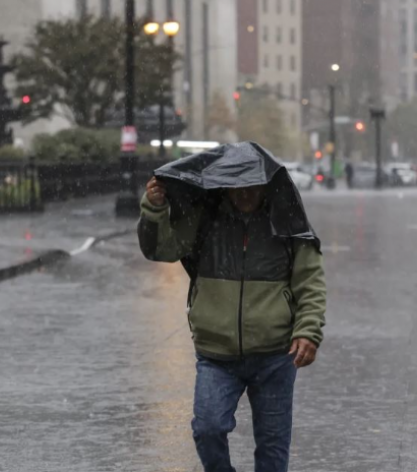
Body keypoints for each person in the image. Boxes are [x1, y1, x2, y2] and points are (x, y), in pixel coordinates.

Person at [138, 143, 327, 472]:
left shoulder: (286, 222)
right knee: (208, 430)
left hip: (275, 356)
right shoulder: (205, 219)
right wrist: (154, 209)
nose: (244, 195)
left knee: (272, 447)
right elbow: (160, 250)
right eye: (236, 187)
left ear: (265, 185)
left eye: (251, 186)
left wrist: (308, 332)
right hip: (216, 355)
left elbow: (310, 281)